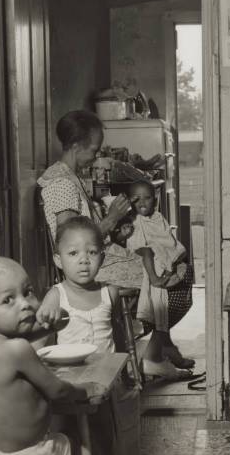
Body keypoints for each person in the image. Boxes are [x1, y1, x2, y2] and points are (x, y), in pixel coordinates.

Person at [0, 257, 86, 455]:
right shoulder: (17, 349)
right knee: (81, 445)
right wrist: (85, 391)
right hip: (29, 450)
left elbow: (58, 323)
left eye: (28, 292)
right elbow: (59, 392)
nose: (24, 304)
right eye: (8, 300)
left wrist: (56, 313)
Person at [37, 110, 132, 285]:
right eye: (94, 150)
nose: (96, 157)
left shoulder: (70, 176)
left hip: (95, 258)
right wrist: (111, 218)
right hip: (87, 266)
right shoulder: (62, 183)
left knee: (165, 265)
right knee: (163, 275)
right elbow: (71, 243)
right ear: (76, 146)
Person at [127, 180, 195, 378]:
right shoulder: (132, 219)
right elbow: (143, 247)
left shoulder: (158, 217)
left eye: (147, 198)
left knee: (183, 270)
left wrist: (171, 257)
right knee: (164, 296)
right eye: (137, 199)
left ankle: (166, 346)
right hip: (145, 260)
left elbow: (167, 240)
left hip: (162, 258)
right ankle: (155, 354)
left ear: (155, 200)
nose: (143, 203)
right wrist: (158, 273)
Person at [37, 217, 120, 353]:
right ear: (58, 260)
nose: (84, 260)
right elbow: (43, 335)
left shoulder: (109, 293)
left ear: (102, 258)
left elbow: (118, 334)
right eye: (73, 253)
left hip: (107, 371)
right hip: (70, 372)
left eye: (92, 252)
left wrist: (123, 369)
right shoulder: (56, 295)